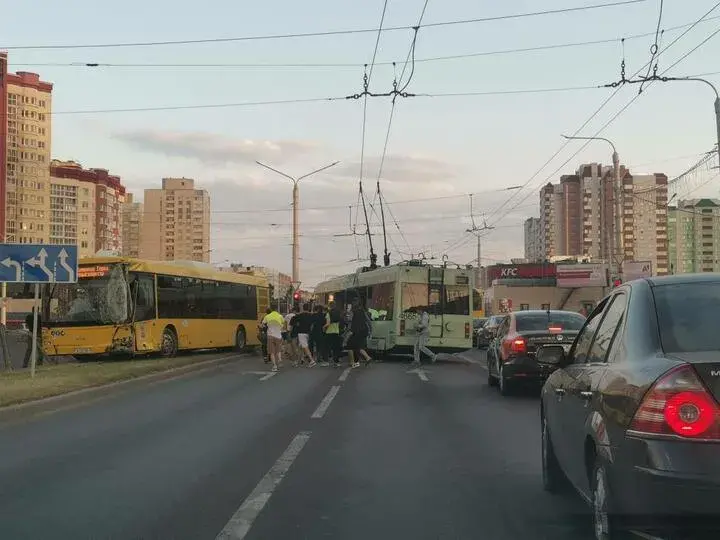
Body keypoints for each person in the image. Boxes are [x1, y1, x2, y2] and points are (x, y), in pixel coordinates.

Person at [347, 299, 372, 368]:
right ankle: (367, 358)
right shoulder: (363, 312)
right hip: (364, 331)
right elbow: (368, 321)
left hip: (356, 331)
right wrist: (370, 331)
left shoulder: (352, 312)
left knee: (349, 345)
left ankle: (352, 363)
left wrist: (347, 331)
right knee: (359, 346)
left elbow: (349, 321)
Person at [261, 305, 284, 372]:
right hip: (278, 335)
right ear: (277, 309)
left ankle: (274, 366)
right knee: (278, 350)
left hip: (270, 335)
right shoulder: (280, 316)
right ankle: (279, 359)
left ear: (271, 309)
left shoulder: (267, 316)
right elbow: (283, 324)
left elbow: (262, 325)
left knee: (272, 352)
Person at [324, 301, 343, 367]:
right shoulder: (339, 312)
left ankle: (326, 362)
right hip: (336, 331)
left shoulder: (328, 313)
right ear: (335, 305)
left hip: (329, 332)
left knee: (327, 347)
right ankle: (336, 362)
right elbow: (341, 321)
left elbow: (328, 323)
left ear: (329, 306)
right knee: (336, 348)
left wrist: (323, 327)